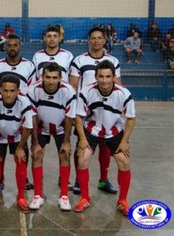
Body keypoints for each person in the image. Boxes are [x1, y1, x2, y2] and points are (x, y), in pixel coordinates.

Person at [73, 60, 136, 216]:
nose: (104, 80)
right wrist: (82, 138)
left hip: (114, 131)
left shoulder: (124, 93)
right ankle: (85, 198)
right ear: (96, 77)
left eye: (108, 76)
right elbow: (78, 117)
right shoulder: (87, 92)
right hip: (92, 129)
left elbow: (131, 118)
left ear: (114, 77)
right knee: (82, 158)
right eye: (101, 76)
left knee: (124, 162)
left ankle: (123, 201)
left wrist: (124, 141)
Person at [70, 26, 121, 195]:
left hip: (107, 109)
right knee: (81, 144)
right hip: (86, 111)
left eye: (100, 38)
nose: (97, 40)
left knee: (106, 145)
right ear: (88, 40)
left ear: (105, 40)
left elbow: (118, 85)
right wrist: (73, 109)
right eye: (93, 38)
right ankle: (79, 180)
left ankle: (103, 180)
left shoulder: (113, 61)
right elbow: (73, 86)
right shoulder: (79, 61)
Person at [28, 62, 76, 211]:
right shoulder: (33, 89)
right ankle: (37, 196)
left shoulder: (68, 91)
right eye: (47, 77)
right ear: (42, 76)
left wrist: (67, 142)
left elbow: (69, 118)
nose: (50, 81)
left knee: (64, 155)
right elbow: (33, 117)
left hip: (61, 128)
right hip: (41, 128)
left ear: (61, 78)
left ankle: (64, 196)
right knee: (36, 156)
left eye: (54, 77)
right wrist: (35, 142)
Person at [0, 33, 36, 191]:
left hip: (21, 113)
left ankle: (23, 178)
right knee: (0, 150)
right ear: (5, 47)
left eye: (15, 45)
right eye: (9, 45)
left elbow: (31, 91)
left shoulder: (29, 66)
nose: (12, 48)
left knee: (21, 147)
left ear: (20, 46)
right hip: (2, 113)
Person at [0, 75, 33, 213]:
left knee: (21, 161)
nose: (8, 94)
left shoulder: (25, 102)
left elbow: (28, 127)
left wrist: (19, 148)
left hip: (18, 136)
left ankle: (21, 197)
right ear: (0, 89)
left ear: (18, 91)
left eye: (12, 91)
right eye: (5, 90)